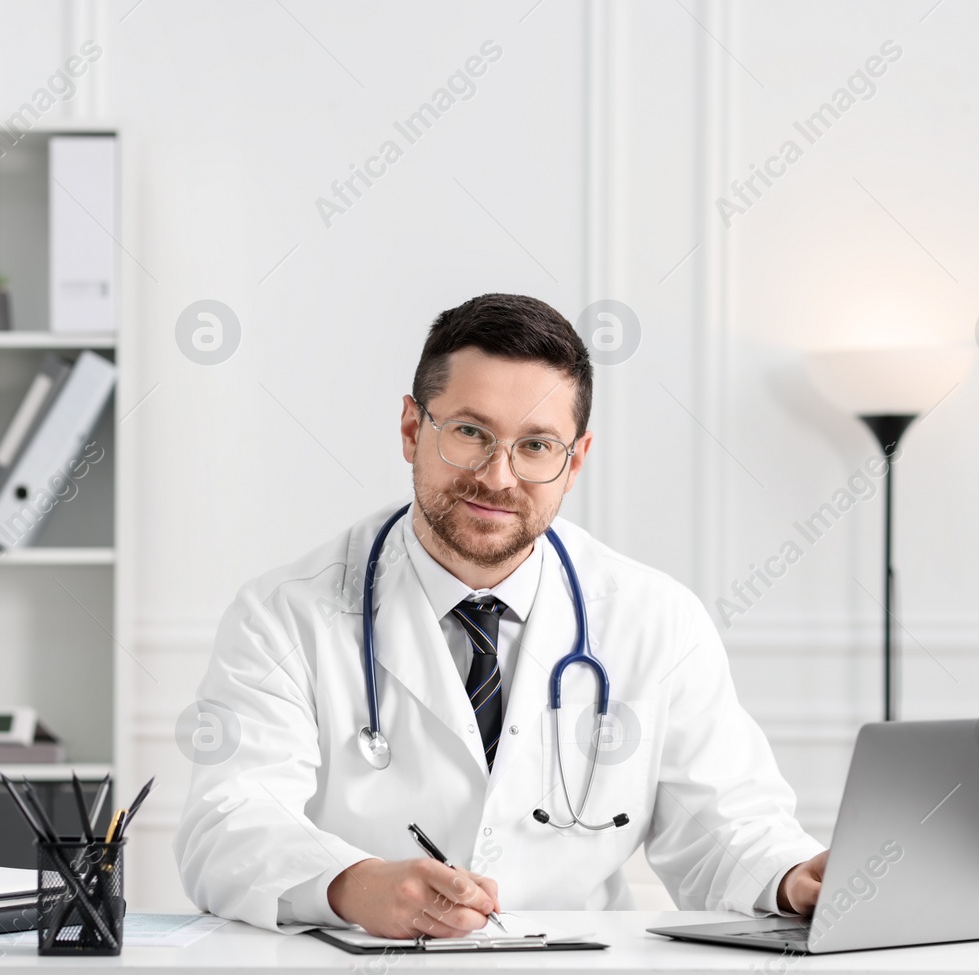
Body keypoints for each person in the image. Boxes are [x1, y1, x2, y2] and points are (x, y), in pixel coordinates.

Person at [174, 293, 827, 937]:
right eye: (469, 433)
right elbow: (228, 824)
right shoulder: (284, 615)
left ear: (575, 461)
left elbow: (723, 830)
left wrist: (791, 874)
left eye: (537, 445)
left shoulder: (657, 620)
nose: (498, 477)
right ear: (411, 430)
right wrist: (356, 881)